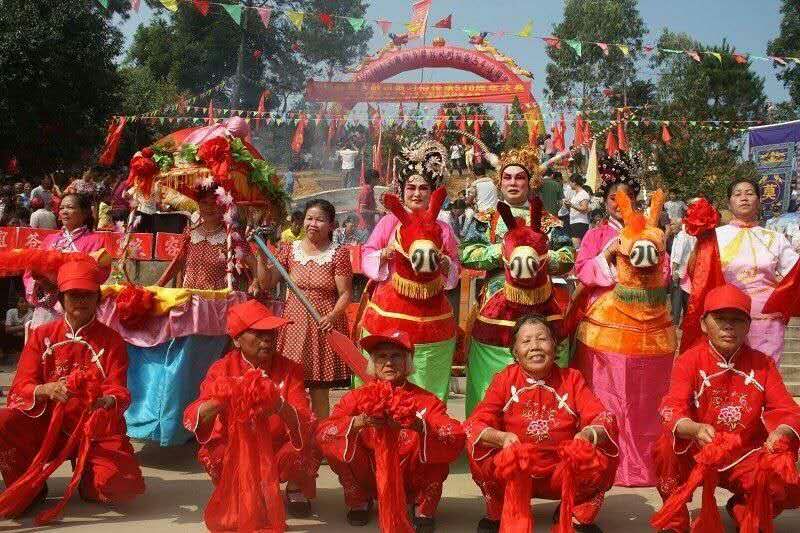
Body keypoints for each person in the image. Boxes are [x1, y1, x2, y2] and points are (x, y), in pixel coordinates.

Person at [0, 261, 145, 515]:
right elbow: (21, 386)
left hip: (93, 427)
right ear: (61, 298)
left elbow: (120, 390)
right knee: (4, 421)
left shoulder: (112, 341)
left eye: (87, 294)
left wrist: (104, 401)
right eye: (73, 294)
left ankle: (90, 477)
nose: (80, 301)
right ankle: (31, 486)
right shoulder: (42, 335)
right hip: (45, 426)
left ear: (98, 298)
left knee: (114, 488)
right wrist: (46, 389)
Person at [653, 284, 800, 532]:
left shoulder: (762, 364)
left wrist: (781, 433)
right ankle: (675, 518)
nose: (728, 326)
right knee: (667, 446)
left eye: (737, 320)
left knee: (781, 464)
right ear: (703, 324)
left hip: (744, 453)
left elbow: (787, 409)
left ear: (748, 326)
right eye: (720, 319)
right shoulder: (690, 359)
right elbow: (672, 405)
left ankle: (744, 507)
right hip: (700, 449)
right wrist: (693, 428)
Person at [464, 315, 619, 533]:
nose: (535, 347)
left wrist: (587, 435)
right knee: (475, 443)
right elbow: (476, 422)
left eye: (542, 339)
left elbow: (602, 417)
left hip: (560, 471)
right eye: (526, 341)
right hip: (516, 471)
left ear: (555, 346)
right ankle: (499, 510)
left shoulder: (572, 379)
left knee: (600, 447)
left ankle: (577, 512)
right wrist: (502, 438)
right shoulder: (504, 379)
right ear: (515, 352)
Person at [573, 184, 674, 488]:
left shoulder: (652, 233)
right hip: (605, 326)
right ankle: (606, 457)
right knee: (607, 396)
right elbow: (582, 269)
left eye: (628, 198)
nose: (621, 204)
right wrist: (606, 256)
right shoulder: (596, 235)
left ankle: (646, 461)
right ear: (605, 204)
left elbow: (665, 271)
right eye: (614, 199)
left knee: (647, 398)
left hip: (650, 322)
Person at [184, 300, 320, 524]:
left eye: (271, 333)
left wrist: (278, 404)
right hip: (237, 448)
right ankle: (238, 487)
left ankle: (295, 488)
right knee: (211, 452)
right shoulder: (222, 369)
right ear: (237, 339)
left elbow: (303, 417)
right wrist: (222, 399)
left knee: (311, 439)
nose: (267, 339)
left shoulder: (290, 369)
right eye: (258, 333)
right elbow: (192, 416)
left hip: (276, 447)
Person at [316, 330, 465, 532]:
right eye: (381, 357)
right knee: (337, 437)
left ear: (408, 362)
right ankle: (359, 500)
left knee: (438, 443)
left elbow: (455, 434)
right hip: (369, 474)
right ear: (373, 363)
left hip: (411, 478)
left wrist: (419, 426)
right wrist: (359, 422)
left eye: (396, 356)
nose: (389, 363)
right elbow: (324, 431)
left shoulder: (426, 400)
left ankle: (423, 507)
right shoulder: (356, 398)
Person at [360, 138, 460, 401]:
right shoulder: (388, 222)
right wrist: (384, 254)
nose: (416, 193)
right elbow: (368, 254)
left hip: (432, 317)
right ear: (402, 190)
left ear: (432, 192)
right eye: (411, 188)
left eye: (423, 188)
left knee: (428, 387)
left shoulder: (444, 227)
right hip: (390, 310)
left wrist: (448, 265)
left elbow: (453, 267)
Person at [682, 178, 799, 363]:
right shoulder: (715, 236)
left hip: (766, 319)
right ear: (729, 203)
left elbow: (795, 273)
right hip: (727, 316)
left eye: (750, 193)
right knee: (725, 370)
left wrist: (782, 303)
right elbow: (697, 274)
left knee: (763, 373)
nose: (744, 198)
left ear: (759, 201)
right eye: (737, 194)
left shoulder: (776, 239)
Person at [265, 199, 353, 419]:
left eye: (320, 220)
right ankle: (290, 436)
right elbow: (267, 282)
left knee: (318, 390)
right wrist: (258, 255)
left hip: (323, 325)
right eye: (309, 218)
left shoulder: (338, 253)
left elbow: (345, 294)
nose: (313, 224)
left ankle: (320, 440)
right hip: (294, 324)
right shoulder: (288, 250)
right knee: (289, 384)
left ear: (332, 225)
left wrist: (332, 316)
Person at [23, 193, 111, 327]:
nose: (64, 211)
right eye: (62, 208)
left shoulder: (96, 241)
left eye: (70, 207)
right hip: (47, 305)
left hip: (78, 306)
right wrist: (42, 281)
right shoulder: (50, 240)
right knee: (46, 343)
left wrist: (63, 281)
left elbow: (99, 273)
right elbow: (31, 270)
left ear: (85, 212)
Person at [565, 173, 591, 248]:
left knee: (577, 247)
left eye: (570, 182)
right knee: (576, 247)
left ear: (574, 182)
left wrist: (572, 205)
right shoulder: (575, 194)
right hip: (574, 221)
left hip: (580, 222)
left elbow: (584, 208)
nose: (569, 184)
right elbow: (573, 209)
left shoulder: (583, 194)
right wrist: (568, 206)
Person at [2, 295, 31, 361]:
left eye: (26, 302)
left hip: (22, 338)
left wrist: (14, 328)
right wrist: (22, 326)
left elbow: (24, 331)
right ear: (16, 304)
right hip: (11, 337)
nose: (24, 304)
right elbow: (7, 330)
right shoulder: (11, 312)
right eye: (21, 302)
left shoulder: (30, 313)